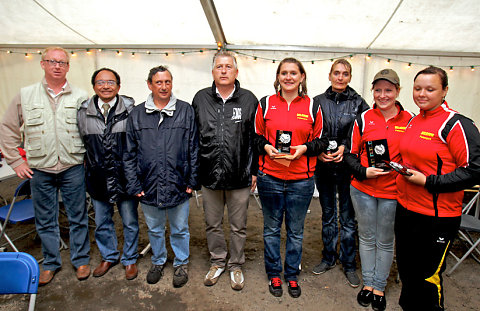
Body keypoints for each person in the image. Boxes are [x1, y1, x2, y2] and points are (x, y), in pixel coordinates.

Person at [0, 47, 91, 285]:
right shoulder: (26, 95)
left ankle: (81, 260)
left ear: (68, 67)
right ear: (42, 64)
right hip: (40, 169)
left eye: (62, 62)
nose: (57, 66)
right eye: (52, 61)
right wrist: (15, 161)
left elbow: (90, 131)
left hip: (72, 166)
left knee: (78, 216)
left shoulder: (81, 96)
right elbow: (8, 129)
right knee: (45, 218)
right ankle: (51, 263)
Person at [394, 66, 480, 311]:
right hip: (406, 209)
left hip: (436, 216)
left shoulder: (456, 124)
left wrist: (428, 182)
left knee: (427, 278)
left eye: (430, 89)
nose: (422, 94)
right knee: (408, 271)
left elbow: (474, 170)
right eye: (418, 88)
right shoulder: (413, 120)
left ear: (445, 91)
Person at [255, 57, 328, 298]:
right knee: (272, 229)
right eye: (284, 73)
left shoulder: (312, 106)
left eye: (293, 73)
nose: (288, 77)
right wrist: (266, 148)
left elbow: (321, 141)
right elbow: (254, 136)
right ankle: (274, 273)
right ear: (278, 77)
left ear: (302, 77)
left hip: (301, 180)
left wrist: (304, 149)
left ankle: (292, 275)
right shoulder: (265, 104)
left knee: (296, 231)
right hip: (270, 178)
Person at [123, 66, 199, 288]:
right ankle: (158, 261)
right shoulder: (137, 114)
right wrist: (134, 184)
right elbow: (129, 153)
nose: (164, 86)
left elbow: (194, 148)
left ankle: (181, 263)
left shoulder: (185, 110)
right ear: (149, 85)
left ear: (172, 83)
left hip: (178, 183)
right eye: (159, 82)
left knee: (180, 229)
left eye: (167, 82)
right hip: (148, 184)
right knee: (155, 228)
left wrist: (192, 181)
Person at [345, 69, 414, 311]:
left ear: (397, 91)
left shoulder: (411, 121)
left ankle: (379, 286)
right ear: (373, 91)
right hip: (362, 189)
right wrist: (364, 172)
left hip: (393, 193)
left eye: (388, 90)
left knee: (385, 241)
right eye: (378, 90)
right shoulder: (363, 118)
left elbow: (415, 158)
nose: (382, 95)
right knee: (366, 237)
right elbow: (350, 155)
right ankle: (368, 284)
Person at [192, 51, 258, 290]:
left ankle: (236, 264)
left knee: (238, 225)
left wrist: (254, 170)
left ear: (236, 72)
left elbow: (255, 139)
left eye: (228, 67)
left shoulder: (249, 100)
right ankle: (218, 261)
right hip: (209, 174)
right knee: (212, 223)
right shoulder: (200, 99)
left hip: (239, 175)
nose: (223, 70)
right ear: (212, 72)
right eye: (219, 66)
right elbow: (193, 138)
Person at [77, 68, 139, 280]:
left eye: (111, 82)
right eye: (101, 82)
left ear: (119, 86)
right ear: (94, 86)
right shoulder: (83, 112)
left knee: (130, 221)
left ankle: (129, 259)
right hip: (98, 177)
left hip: (125, 177)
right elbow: (82, 144)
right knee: (102, 221)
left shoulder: (132, 110)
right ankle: (109, 256)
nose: (106, 86)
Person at [312, 59, 369, 287]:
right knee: (328, 215)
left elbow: (365, 132)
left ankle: (348, 263)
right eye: (336, 73)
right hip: (323, 167)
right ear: (329, 75)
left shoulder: (359, 103)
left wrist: (347, 147)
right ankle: (328, 258)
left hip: (347, 169)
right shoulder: (317, 102)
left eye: (345, 74)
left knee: (347, 218)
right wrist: (317, 153)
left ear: (350, 77)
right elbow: (310, 132)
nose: (340, 77)